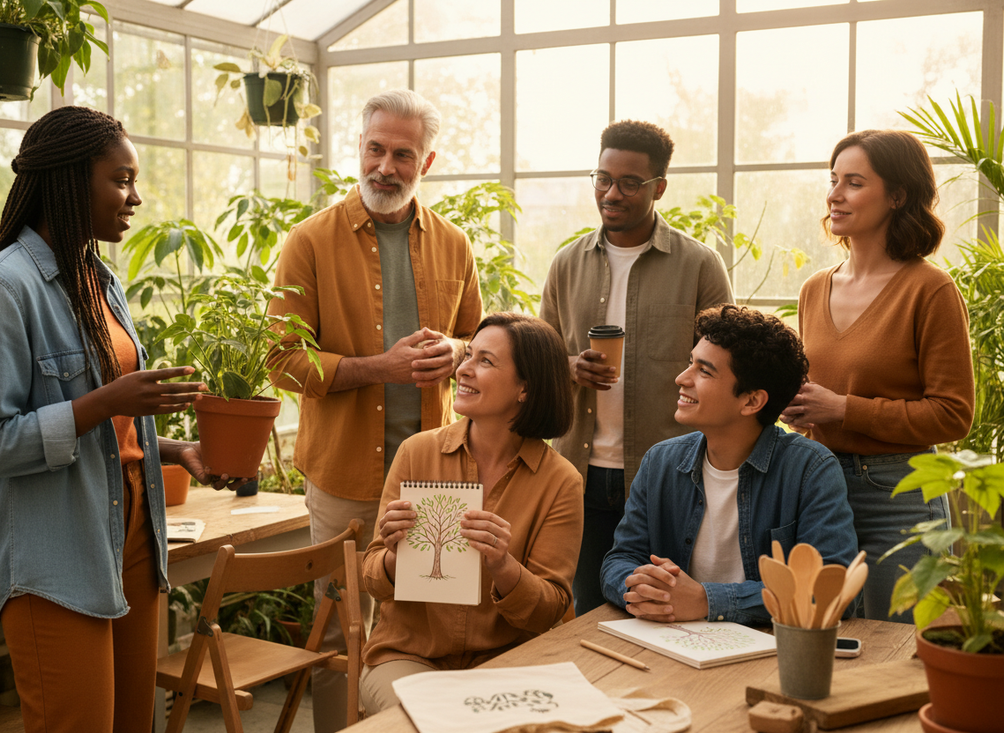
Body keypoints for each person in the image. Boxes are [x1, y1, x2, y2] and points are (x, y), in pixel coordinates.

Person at [0, 106, 241, 733]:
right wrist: (106, 402)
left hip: (132, 533)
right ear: (68, 181)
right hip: (56, 557)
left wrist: (171, 449)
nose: (136, 197)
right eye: (121, 179)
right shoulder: (2, 290)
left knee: (133, 722)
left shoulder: (98, 279)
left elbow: (102, 432)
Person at [267, 89, 483, 732]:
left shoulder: (455, 245)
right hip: (344, 482)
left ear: (428, 161)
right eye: (375, 149)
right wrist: (380, 368)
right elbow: (283, 362)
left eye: (403, 154)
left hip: (437, 476)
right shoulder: (308, 242)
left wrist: (457, 349)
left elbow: (479, 343)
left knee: (435, 625)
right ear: (358, 149)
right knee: (340, 630)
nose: (385, 166)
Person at [540, 119, 733, 616]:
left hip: (668, 474)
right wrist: (569, 366)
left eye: (630, 183)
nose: (612, 193)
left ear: (659, 188)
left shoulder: (698, 265)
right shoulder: (566, 264)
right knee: (586, 611)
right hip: (578, 473)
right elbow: (538, 363)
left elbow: (729, 365)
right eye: (603, 179)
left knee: (662, 607)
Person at [780, 130, 975, 622]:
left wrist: (844, 408)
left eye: (853, 182)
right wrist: (792, 407)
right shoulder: (812, 289)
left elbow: (954, 415)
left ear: (897, 196)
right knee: (819, 639)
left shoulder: (930, 290)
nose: (835, 194)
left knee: (895, 654)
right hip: (818, 488)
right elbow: (812, 396)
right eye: (833, 180)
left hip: (900, 497)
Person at [359, 312, 582, 712]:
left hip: (507, 662)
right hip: (409, 655)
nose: (463, 368)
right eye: (469, 356)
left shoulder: (561, 481)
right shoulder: (416, 453)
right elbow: (373, 578)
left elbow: (550, 608)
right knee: (431, 718)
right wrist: (394, 555)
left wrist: (503, 565)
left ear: (525, 389)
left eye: (485, 361)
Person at [601, 305, 857, 625]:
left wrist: (708, 601)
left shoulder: (811, 469)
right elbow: (620, 560)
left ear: (751, 401)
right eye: (689, 364)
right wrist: (647, 590)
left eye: (704, 371)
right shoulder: (660, 462)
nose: (682, 378)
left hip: (769, 647)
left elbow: (832, 590)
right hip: (671, 638)